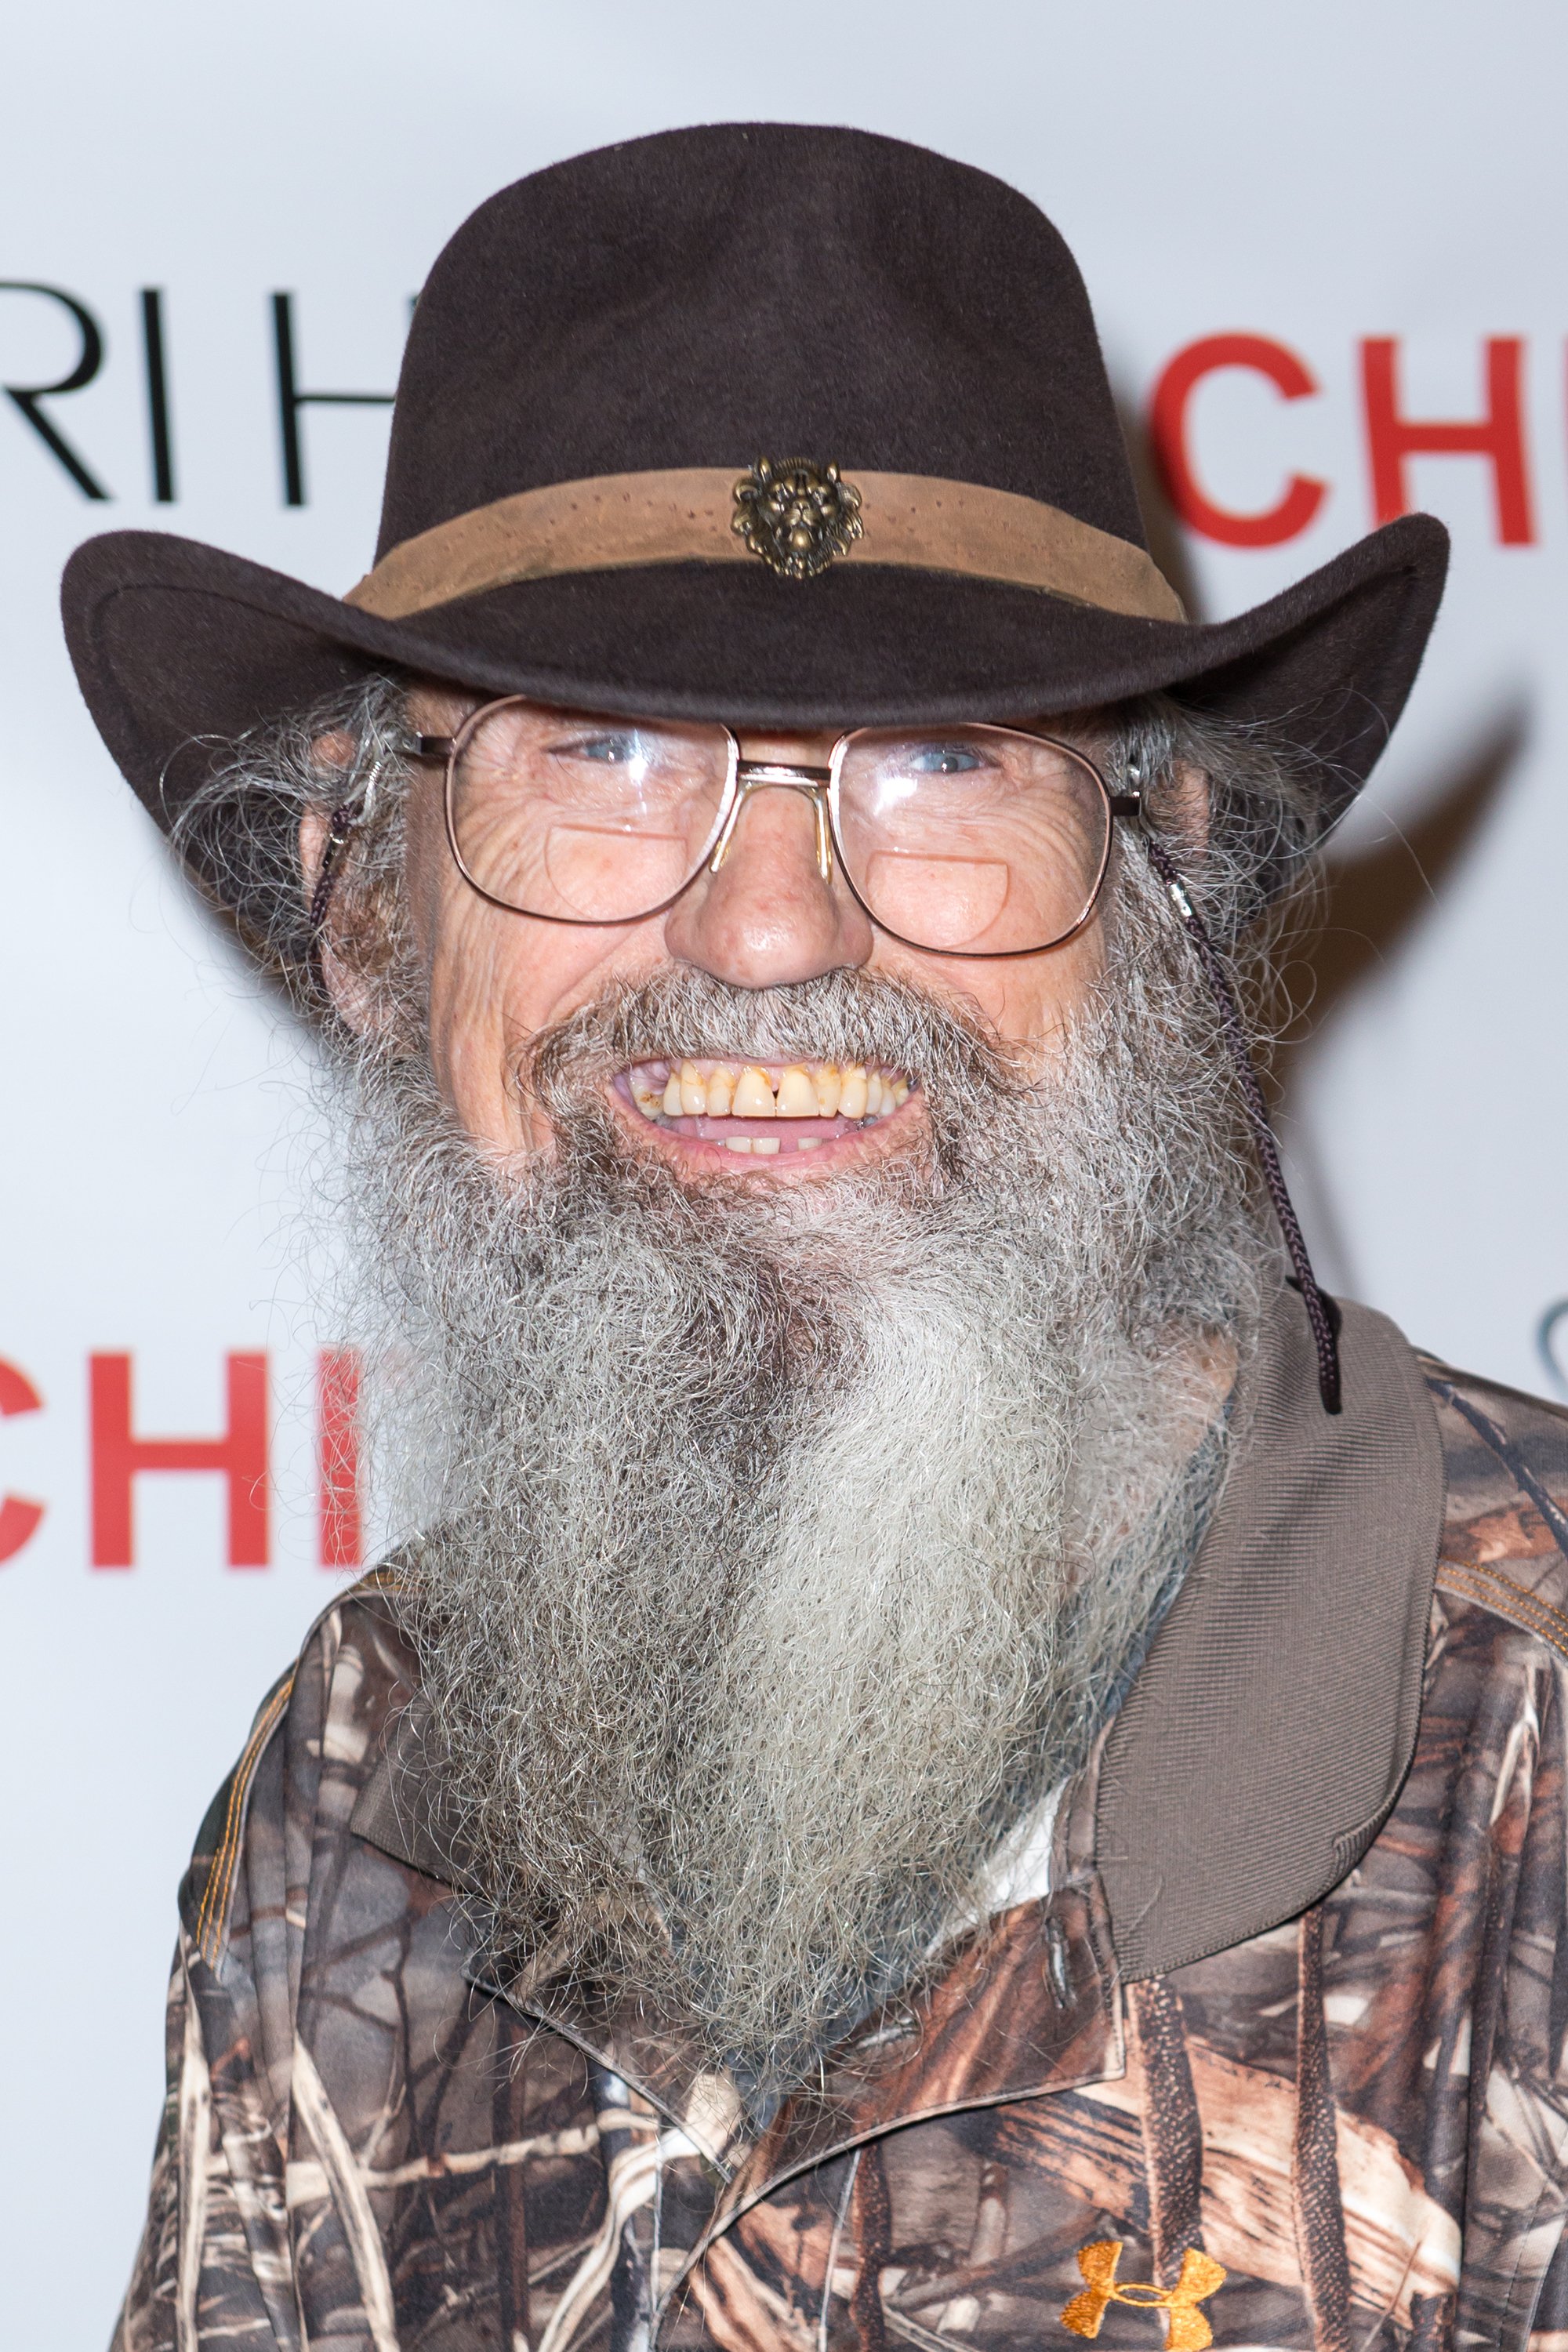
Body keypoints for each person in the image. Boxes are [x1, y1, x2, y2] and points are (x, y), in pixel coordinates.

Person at [64, 123, 1568, 2352]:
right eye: (604, 751)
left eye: (946, 763)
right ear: (374, 919)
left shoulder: (1536, 1746)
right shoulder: (356, 1770)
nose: (770, 935)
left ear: (1159, 898)